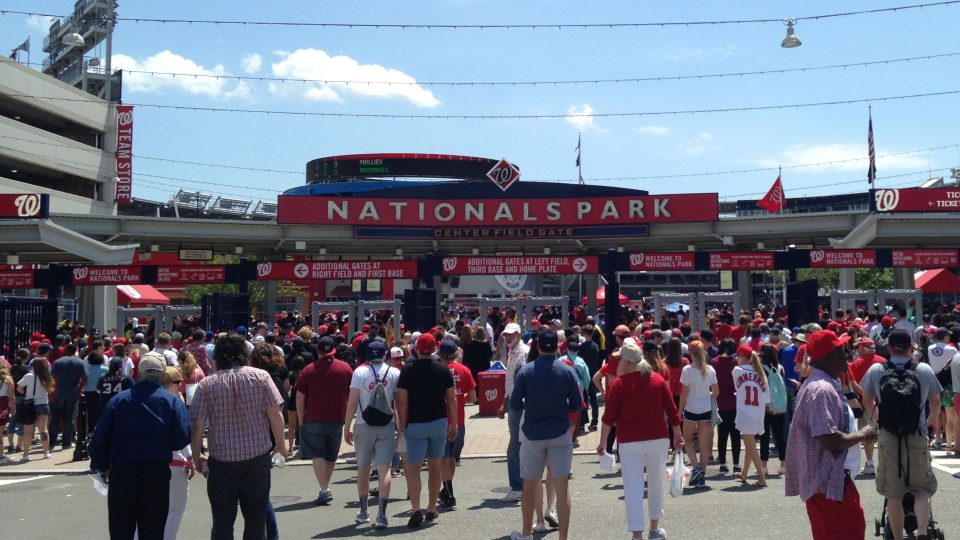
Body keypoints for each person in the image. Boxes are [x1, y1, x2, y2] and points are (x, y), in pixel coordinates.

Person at [190, 334, 287, 540]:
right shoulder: (261, 377)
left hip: (222, 460)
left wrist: (197, 454)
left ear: (217, 358)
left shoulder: (206, 384)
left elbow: (197, 423)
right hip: (257, 456)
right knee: (255, 516)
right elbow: (275, 413)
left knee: (222, 519)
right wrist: (281, 444)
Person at [786, 329, 878, 539]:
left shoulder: (819, 384)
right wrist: (863, 435)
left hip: (826, 483)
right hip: (829, 484)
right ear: (830, 357)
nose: (847, 356)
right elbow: (827, 439)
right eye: (842, 351)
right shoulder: (822, 389)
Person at [89, 353, 192, 540]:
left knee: (121, 530)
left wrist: (102, 466)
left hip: (122, 472)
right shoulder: (171, 401)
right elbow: (181, 438)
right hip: (156, 472)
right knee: (152, 530)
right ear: (162, 375)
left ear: (138, 372)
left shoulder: (119, 400)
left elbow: (99, 439)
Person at [860, 329, 942, 540]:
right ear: (910, 348)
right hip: (917, 433)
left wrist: (877, 419)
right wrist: (932, 420)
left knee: (893, 493)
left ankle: (897, 537)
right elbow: (935, 401)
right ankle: (923, 532)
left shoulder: (877, 370)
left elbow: (866, 400)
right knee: (922, 488)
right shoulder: (923, 369)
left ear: (888, 348)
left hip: (888, 435)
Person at [598, 337, 682, 540]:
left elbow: (608, 418)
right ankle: (654, 528)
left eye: (620, 360)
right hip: (658, 438)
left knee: (633, 487)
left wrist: (602, 443)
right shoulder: (658, 380)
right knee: (655, 484)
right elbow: (672, 411)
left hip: (630, 440)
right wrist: (677, 436)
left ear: (627, 362)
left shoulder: (619, 384)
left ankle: (637, 533)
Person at [508, 329, 583, 540]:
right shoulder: (566, 370)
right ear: (558, 347)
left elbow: (514, 404)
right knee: (562, 487)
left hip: (532, 433)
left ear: (538, 345)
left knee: (529, 485)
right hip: (559, 432)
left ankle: (526, 533)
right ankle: (563, 537)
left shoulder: (526, 371)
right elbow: (577, 404)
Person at [396, 333, 457, 528]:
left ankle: (415, 509)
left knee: (413, 469)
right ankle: (431, 507)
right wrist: (453, 422)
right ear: (434, 349)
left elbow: (402, 400)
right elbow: (451, 398)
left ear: (416, 348)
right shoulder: (443, 369)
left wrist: (402, 422)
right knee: (435, 467)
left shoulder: (408, 370)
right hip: (438, 422)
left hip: (415, 424)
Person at [344, 340, 400, 529]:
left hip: (363, 423)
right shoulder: (394, 373)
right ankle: (382, 515)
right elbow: (398, 403)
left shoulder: (359, 372)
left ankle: (363, 511)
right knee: (385, 469)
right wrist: (400, 426)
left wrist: (346, 426)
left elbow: (352, 402)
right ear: (385, 354)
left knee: (363, 468)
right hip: (387, 424)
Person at [294, 335, 353, 506]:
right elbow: (351, 395)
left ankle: (324, 488)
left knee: (317, 453)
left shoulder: (308, 369)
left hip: (313, 417)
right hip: (337, 417)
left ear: (317, 351)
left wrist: (300, 418)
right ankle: (324, 488)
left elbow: (299, 396)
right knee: (330, 455)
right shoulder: (345, 369)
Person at [439, 338, 477, 510]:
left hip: (440, 420)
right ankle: (447, 489)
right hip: (459, 420)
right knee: (453, 458)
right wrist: (460, 399)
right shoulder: (464, 370)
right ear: (456, 353)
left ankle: (448, 491)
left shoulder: (437, 370)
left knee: (443, 459)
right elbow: (473, 397)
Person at [678, 340, 718, 488]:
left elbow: (683, 393)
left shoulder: (687, 370)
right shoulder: (710, 370)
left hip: (691, 409)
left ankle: (696, 468)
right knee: (704, 444)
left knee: (687, 440)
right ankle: (702, 475)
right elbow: (716, 392)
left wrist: (679, 410)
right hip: (706, 409)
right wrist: (706, 395)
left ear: (690, 352)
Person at [497, 322, 529, 502]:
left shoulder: (522, 353)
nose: (507, 338)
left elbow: (521, 382)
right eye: (506, 335)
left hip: (520, 404)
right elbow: (511, 383)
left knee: (515, 445)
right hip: (515, 403)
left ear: (518, 334)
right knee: (518, 444)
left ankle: (517, 486)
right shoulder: (513, 353)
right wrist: (504, 403)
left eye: (510, 335)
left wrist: (510, 402)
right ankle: (521, 484)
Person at [161, 366, 194, 540]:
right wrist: (190, 458)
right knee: (173, 512)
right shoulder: (174, 403)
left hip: (150, 463)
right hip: (175, 463)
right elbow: (182, 435)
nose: (180, 385)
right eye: (178, 382)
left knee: (147, 512)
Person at [848, 336, 886, 475]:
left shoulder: (856, 364)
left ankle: (870, 463)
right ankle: (886, 464)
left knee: (867, 434)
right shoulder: (884, 362)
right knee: (885, 434)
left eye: (858, 347)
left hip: (865, 404)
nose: (857, 350)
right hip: (884, 403)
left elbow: (854, 386)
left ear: (863, 349)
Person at [733, 345, 770, 487]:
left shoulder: (737, 370)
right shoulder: (761, 373)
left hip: (745, 412)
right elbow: (767, 399)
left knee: (751, 446)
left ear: (743, 357)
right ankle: (744, 473)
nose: (737, 358)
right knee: (750, 444)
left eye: (738, 356)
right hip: (758, 414)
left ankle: (761, 478)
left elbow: (738, 388)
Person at [711, 338, 741, 474]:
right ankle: (736, 464)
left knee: (722, 435)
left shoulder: (714, 362)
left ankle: (723, 463)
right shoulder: (736, 363)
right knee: (735, 435)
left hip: (719, 401)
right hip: (735, 402)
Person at [49, 343, 86, 451]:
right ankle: (66, 443)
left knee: (56, 418)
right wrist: (79, 389)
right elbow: (85, 377)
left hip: (60, 392)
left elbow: (52, 376)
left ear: (66, 350)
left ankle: (51, 443)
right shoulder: (80, 362)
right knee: (69, 418)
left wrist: (56, 387)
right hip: (73, 391)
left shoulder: (59, 361)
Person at [758, 344, 788, 476]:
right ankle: (783, 464)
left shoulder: (761, 369)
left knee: (764, 436)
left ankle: (764, 466)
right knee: (779, 435)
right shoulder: (780, 368)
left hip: (765, 405)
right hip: (779, 405)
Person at [17, 357, 53, 461]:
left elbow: (19, 388)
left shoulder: (29, 376)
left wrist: (26, 393)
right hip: (43, 404)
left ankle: (26, 455)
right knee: (44, 430)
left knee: (28, 431)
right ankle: (46, 453)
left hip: (30, 405)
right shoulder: (46, 377)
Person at [0, 363, 15, 461]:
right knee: (0, 433)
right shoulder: (8, 380)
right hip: (2, 406)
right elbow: (11, 396)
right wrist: (14, 408)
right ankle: (1, 455)